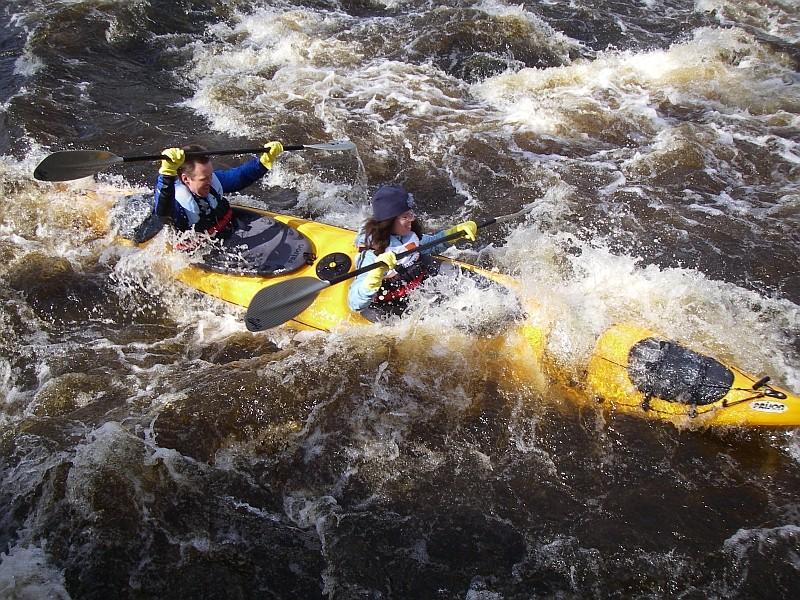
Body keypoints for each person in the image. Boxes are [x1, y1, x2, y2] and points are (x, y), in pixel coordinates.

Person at [347, 184, 477, 319]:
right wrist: (376, 273)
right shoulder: (371, 254)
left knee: (461, 280)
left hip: (416, 287)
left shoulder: (406, 236)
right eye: (405, 216)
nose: (412, 219)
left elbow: (431, 245)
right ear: (389, 221)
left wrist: (456, 233)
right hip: (389, 303)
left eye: (410, 213)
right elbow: (354, 303)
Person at [153, 141, 284, 237]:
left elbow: (239, 177)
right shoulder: (177, 202)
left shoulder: (211, 181)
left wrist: (264, 162)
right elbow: (163, 213)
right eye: (204, 179)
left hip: (226, 230)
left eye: (211, 175)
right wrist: (166, 176)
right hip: (200, 248)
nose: (209, 182)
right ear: (186, 179)